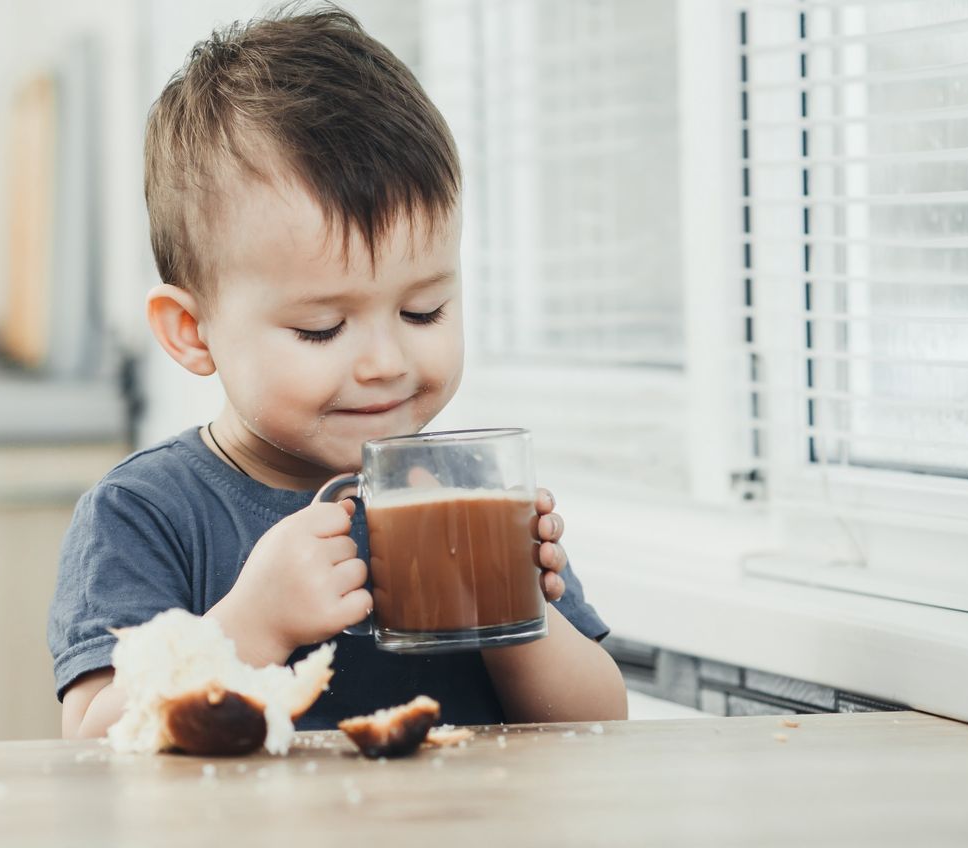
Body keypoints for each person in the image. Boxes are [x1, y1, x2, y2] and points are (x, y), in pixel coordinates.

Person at [48, 3, 628, 738]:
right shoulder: (145, 514)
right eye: (321, 329)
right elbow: (94, 746)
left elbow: (601, 726)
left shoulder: (464, 494)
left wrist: (521, 614)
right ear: (192, 333)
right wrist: (250, 624)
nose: (386, 364)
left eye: (423, 313)